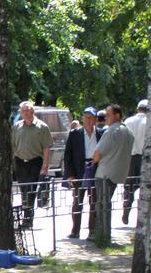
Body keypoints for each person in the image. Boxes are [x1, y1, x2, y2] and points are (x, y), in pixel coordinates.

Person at [92, 104, 134, 243]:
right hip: (118, 173)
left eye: (108, 115)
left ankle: (102, 237)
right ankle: (103, 236)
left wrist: (94, 161)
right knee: (105, 204)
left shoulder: (111, 131)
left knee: (102, 206)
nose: (105, 118)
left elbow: (97, 154)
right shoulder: (128, 131)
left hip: (104, 173)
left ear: (117, 115)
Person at [63, 107, 104, 239]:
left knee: (94, 202)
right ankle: (75, 230)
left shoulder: (101, 133)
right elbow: (67, 155)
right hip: (79, 170)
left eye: (91, 117)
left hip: (95, 168)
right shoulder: (75, 133)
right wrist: (70, 174)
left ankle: (92, 231)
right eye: (86, 117)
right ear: (83, 118)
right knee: (77, 201)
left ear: (95, 120)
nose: (88, 120)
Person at [12, 101, 52, 228]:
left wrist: (46, 166)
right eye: (23, 111)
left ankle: (28, 220)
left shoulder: (42, 127)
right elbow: (12, 146)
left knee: (30, 190)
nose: (25, 113)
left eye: (28, 110)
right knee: (24, 190)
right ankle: (26, 216)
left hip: (35, 162)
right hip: (20, 162)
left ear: (33, 111)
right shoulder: (17, 126)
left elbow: (46, 148)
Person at [122, 99, 147, 224]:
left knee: (129, 187)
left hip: (129, 158)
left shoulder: (128, 121)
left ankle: (126, 210)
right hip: (144, 158)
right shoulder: (148, 122)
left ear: (138, 109)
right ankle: (143, 216)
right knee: (145, 186)